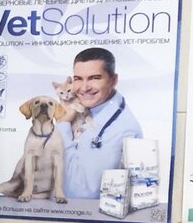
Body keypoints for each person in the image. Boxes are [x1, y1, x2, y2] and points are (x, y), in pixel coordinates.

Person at [57, 47, 142, 198]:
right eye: (78, 79)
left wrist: (62, 124)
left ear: (113, 80)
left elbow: (82, 192)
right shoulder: (85, 109)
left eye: (94, 78)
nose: (84, 88)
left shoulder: (121, 129)